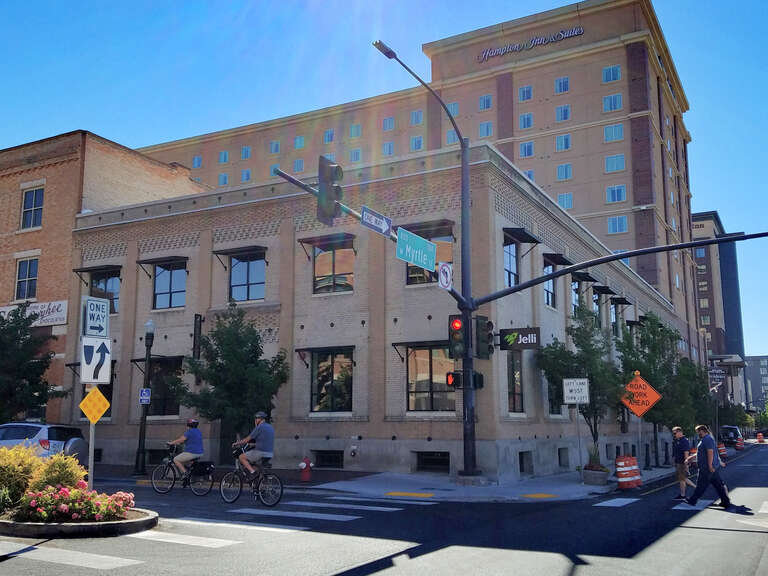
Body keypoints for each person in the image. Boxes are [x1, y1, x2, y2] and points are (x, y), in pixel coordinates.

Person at [684, 424, 732, 509]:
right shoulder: (705, 439)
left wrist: (710, 465)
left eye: (698, 432)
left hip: (706, 468)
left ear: (702, 431)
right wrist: (691, 457)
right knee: (718, 486)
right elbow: (701, 452)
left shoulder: (707, 439)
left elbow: (710, 452)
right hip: (710, 468)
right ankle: (725, 502)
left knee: (701, 485)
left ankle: (692, 500)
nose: (697, 433)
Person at [232, 411, 274, 479]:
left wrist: (236, 443)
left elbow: (246, 440)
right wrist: (253, 444)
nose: (255, 420)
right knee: (255, 465)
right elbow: (265, 441)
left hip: (260, 452)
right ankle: (258, 484)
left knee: (241, 457)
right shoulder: (270, 427)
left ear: (261, 419)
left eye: (256, 418)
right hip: (269, 453)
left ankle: (252, 472)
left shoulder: (259, 427)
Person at [671, 426, 696, 500]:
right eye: (673, 433)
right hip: (678, 462)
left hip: (682, 462)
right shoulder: (677, 440)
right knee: (682, 479)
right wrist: (674, 460)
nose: (674, 434)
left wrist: (686, 463)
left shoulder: (684, 440)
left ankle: (695, 489)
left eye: (675, 433)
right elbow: (676, 451)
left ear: (680, 432)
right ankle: (683, 494)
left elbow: (686, 452)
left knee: (683, 478)